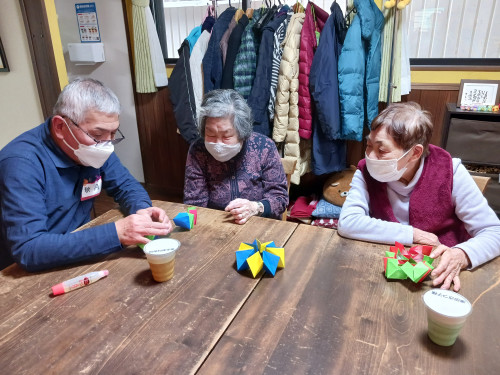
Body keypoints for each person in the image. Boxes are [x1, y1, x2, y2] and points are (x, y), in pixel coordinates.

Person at [0, 78, 173, 272]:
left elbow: (126, 186)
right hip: (27, 270)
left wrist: (142, 210)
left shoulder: (94, 147)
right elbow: (29, 249)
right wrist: (117, 233)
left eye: (113, 133)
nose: (106, 144)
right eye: (98, 135)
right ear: (60, 127)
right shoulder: (21, 163)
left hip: (80, 249)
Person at [338, 102, 500, 291]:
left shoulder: (450, 171)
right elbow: (348, 222)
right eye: (368, 145)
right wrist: (414, 234)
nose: (370, 156)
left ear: (415, 153)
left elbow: (494, 232)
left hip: (440, 278)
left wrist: (462, 254)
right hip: (385, 273)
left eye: (381, 150)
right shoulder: (366, 171)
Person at [184, 89, 288, 224]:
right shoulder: (198, 150)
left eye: (226, 136)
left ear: (242, 133)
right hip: (215, 224)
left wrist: (255, 207)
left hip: (258, 223)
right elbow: (194, 202)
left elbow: (280, 199)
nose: (217, 144)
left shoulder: (264, 147)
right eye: (211, 134)